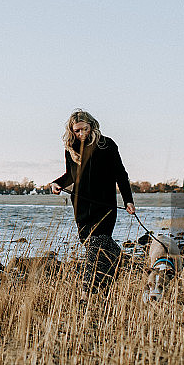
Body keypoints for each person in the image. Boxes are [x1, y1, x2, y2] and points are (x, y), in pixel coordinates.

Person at [48, 109, 135, 295]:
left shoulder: (106, 145)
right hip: (80, 206)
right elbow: (71, 176)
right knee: (91, 245)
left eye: (84, 129)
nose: (81, 134)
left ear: (92, 126)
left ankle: (89, 290)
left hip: (105, 205)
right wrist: (57, 183)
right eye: (77, 131)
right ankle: (110, 275)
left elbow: (121, 173)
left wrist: (128, 200)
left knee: (97, 244)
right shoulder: (70, 148)